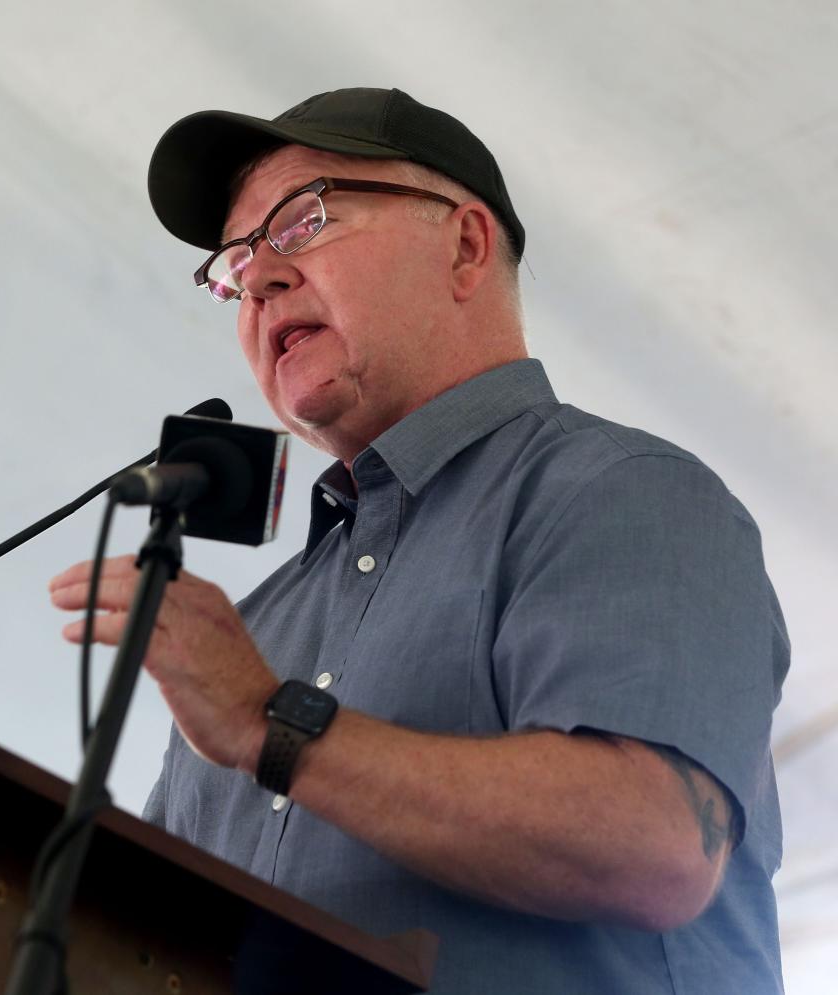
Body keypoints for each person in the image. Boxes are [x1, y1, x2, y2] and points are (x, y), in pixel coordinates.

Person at [49, 88, 789, 994]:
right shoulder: (252, 629)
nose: (259, 280)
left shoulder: (620, 491)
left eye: (300, 222)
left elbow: (654, 846)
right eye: (235, 266)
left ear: (466, 245)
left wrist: (267, 725)